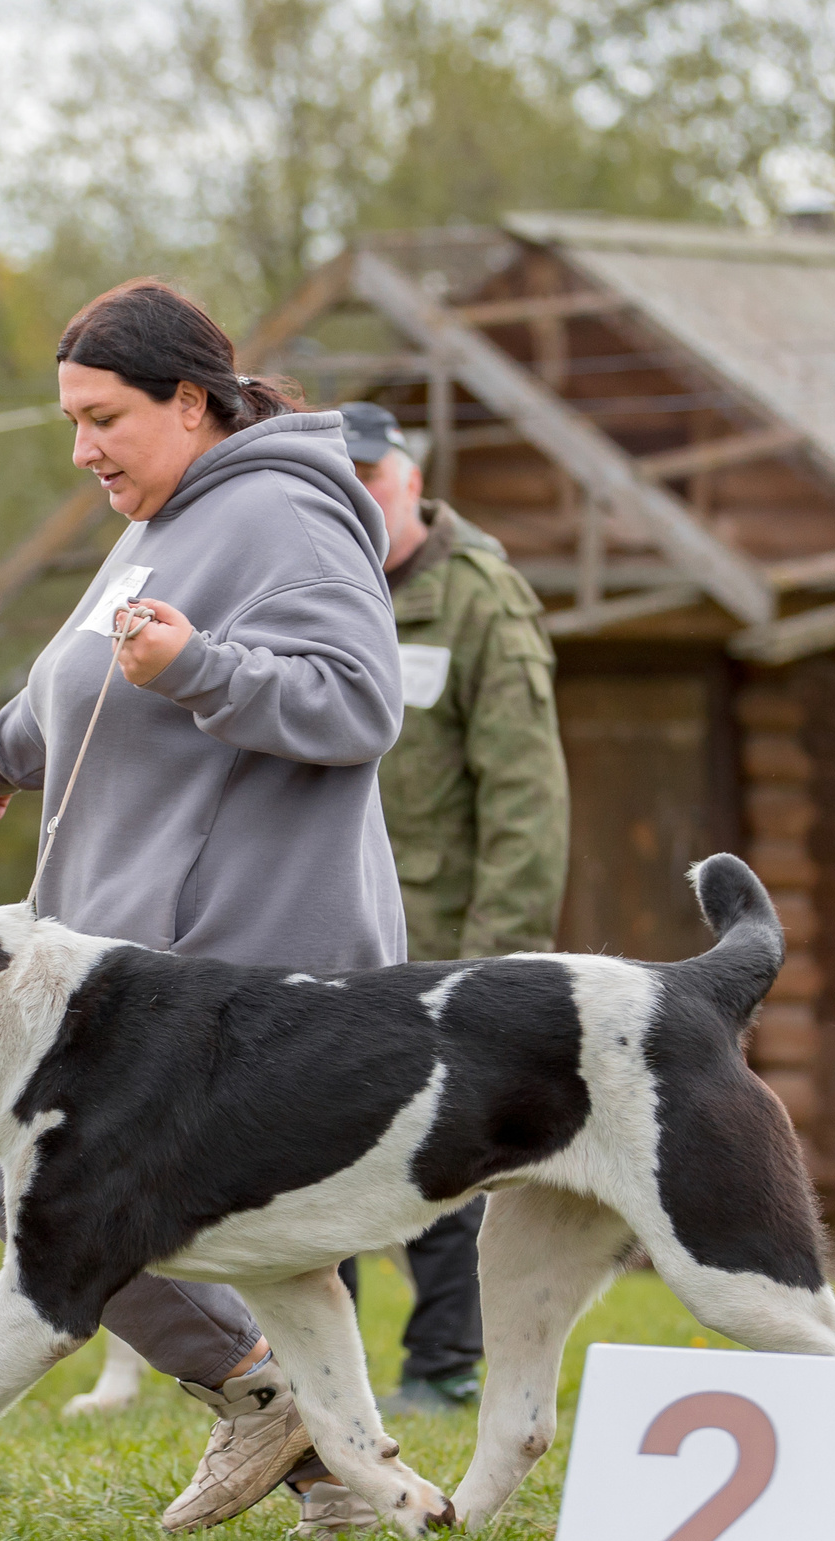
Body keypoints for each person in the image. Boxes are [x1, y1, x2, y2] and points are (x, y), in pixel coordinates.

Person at [0, 279, 405, 1538]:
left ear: (189, 402)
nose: (81, 451)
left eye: (103, 420)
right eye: (71, 423)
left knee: (30, 1176)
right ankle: (324, 1466)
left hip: (244, 950)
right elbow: (86, 666)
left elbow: (361, 702)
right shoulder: (164, 514)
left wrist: (199, 667)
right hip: (139, 947)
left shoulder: (285, 513)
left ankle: (267, 1402)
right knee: (226, 1234)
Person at [335, 400, 570, 1417]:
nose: (356, 499)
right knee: (320, 1150)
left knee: (442, 1151)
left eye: (371, 481)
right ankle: (313, 1378)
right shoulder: (318, 585)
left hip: (441, 941)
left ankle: (443, 1363)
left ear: (411, 483)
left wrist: (498, 963)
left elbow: (526, 799)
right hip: (334, 929)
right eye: (339, 483)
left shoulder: (480, 601)